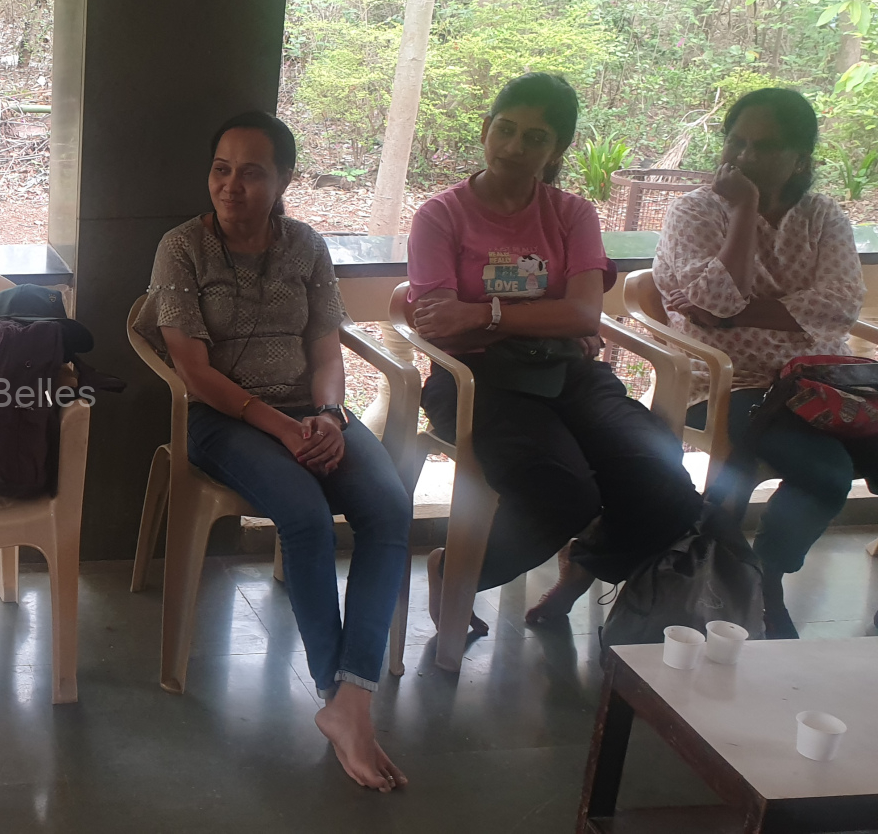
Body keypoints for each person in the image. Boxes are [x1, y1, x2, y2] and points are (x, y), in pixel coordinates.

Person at [134, 111, 413, 793]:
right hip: (222, 421)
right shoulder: (182, 247)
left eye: (251, 172)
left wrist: (327, 415)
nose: (231, 185)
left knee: (388, 510)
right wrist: (282, 430)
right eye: (221, 169)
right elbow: (194, 370)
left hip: (308, 412)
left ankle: (353, 695)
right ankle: (336, 695)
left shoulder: (306, 246)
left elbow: (326, 347)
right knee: (306, 515)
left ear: (283, 179)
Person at [405, 73, 706, 633]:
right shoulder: (441, 216)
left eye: (535, 137)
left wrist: (484, 314)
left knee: (662, 479)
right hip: (477, 381)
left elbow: (584, 315)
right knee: (562, 493)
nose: (515, 147)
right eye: (506, 129)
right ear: (485, 130)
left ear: (558, 149)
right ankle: (457, 572)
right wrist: (548, 315)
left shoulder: (572, 214)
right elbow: (442, 324)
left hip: (567, 372)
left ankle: (583, 565)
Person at [653, 88, 870, 639]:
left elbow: (842, 303)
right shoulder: (695, 211)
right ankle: (766, 578)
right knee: (827, 473)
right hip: (730, 385)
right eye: (737, 142)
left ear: (800, 159)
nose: (745, 157)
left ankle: (760, 569)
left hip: (822, 383)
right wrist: (745, 210)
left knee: (837, 467)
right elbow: (713, 301)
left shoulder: (823, 217)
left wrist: (738, 313)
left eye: (766, 147)